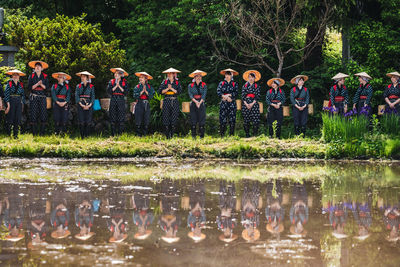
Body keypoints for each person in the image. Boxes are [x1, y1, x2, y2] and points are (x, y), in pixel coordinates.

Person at [158, 68, 182, 139]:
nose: (169, 75)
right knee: (166, 117)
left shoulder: (177, 82)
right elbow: (160, 91)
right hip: (166, 101)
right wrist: (167, 89)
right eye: (168, 74)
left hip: (174, 101)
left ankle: (172, 135)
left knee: (174, 117)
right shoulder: (164, 82)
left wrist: (171, 88)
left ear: (174, 74)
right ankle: (167, 136)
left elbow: (179, 91)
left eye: (170, 73)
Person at [27, 60, 50, 135]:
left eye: (39, 67)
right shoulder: (31, 76)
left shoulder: (45, 76)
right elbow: (29, 88)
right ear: (34, 68)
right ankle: (34, 133)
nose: (37, 68)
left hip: (42, 97)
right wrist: (37, 84)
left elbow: (47, 88)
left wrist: (41, 84)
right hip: (34, 97)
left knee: (43, 114)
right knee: (33, 114)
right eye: (36, 67)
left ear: (42, 68)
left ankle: (42, 133)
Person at [217, 68, 239, 137]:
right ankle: (222, 135)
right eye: (226, 74)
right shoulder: (221, 83)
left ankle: (231, 135)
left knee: (232, 120)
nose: (227, 76)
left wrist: (229, 96)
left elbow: (236, 92)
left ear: (231, 76)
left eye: (229, 75)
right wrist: (224, 96)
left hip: (232, 103)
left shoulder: (234, 84)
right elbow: (218, 92)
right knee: (222, 119)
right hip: (223, 103)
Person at [4, 69, 25, 138]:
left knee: (17, 117)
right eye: (14, 75)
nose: (15, 76)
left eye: (17, 75)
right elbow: (6, 94)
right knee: (10, 117)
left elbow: (23, 95)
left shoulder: (21, 84)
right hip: (11, 101)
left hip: (18, 101)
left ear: (19, 76)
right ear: (12, 76)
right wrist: (8, 105)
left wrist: (22, 104)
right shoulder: (9, 84)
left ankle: (15, 134)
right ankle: (8, 134)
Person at [108, 68, 129, 136]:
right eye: (115, 73)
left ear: (120, 75)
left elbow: (126, 92)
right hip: (113, 98)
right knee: (112, 115)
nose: (116, 75)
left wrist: (119, 86)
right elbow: (109, 91)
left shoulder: (124, 82)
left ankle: (120, 134)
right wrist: (115, 86)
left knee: (121, 116)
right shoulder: (111, 81)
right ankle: (113, 134)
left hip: (121, 99)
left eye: (117, 73)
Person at [133, 72, 155, 136]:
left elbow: (151, 96)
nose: (140, 79)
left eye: (142, 77)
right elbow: (134, 95)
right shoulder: (137, 87)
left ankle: (145, 134)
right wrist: (142, 92)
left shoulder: (149, 87)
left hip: (146, 103)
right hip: (139, 103)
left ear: (146, 79)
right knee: (138, 119)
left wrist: (146, 92)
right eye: (140, 77)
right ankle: (138, 134)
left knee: (146, 119)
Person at [188, 70, 207, 139]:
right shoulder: (190, 85)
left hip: (201, 102)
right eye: (197, 76)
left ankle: (201, 136)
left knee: (202, 119)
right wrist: (196, 102)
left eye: (200, 76)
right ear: (194, 77)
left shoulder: (204, 85)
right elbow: (190, 95)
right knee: (193, 119)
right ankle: (193, 136)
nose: (199, 77)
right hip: (193, 102)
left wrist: (200, 102)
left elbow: (204, 94)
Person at [75, 71, 95, 138]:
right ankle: (82, 135)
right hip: (81, 103)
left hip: (89, 104)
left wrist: (89, 105)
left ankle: (87, 135)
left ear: (87, 78)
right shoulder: (78, 86)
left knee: (88, 120)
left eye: (84, 77)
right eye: (81, 77)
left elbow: (93, 96)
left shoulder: (91, 86)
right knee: (81, 120)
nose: (82, 78)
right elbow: (77, 96)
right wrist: (81, 104)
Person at [241, 70, 261, 137]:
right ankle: (247, 134)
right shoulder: (245, 85)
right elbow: (243, 96)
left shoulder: (257, 86)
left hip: (254, 103)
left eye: (252, 77)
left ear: (254, 78)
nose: (251, 78)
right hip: (246, 103)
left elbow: (258, 96)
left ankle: (255, 134)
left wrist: (252, 103)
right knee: (246, 119)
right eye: (249, 77)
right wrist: (246, 104)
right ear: (248, 78)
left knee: (255, 119)